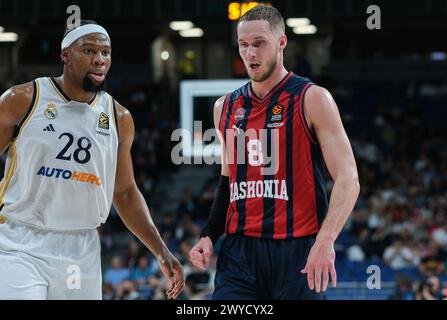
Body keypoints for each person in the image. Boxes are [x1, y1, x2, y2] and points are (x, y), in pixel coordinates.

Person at [0, 20, 184, 299]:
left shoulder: (119, 117)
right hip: (20, 240)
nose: (99, 59)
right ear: (65, 55)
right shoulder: (23, 99)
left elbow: (123, 192)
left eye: (106, 53)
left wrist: (160, 249)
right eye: (88, 51)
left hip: (81, 244)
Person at [189, 6, 359, 299]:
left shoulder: (312, 98)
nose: (250, 53)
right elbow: (227, 182)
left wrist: (326, 239)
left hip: (297, 250)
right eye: (243, 45)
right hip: (240, 253)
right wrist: (209, 234)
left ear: (281, 43)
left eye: (259, 43)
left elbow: (348, 177)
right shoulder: (224, 107)